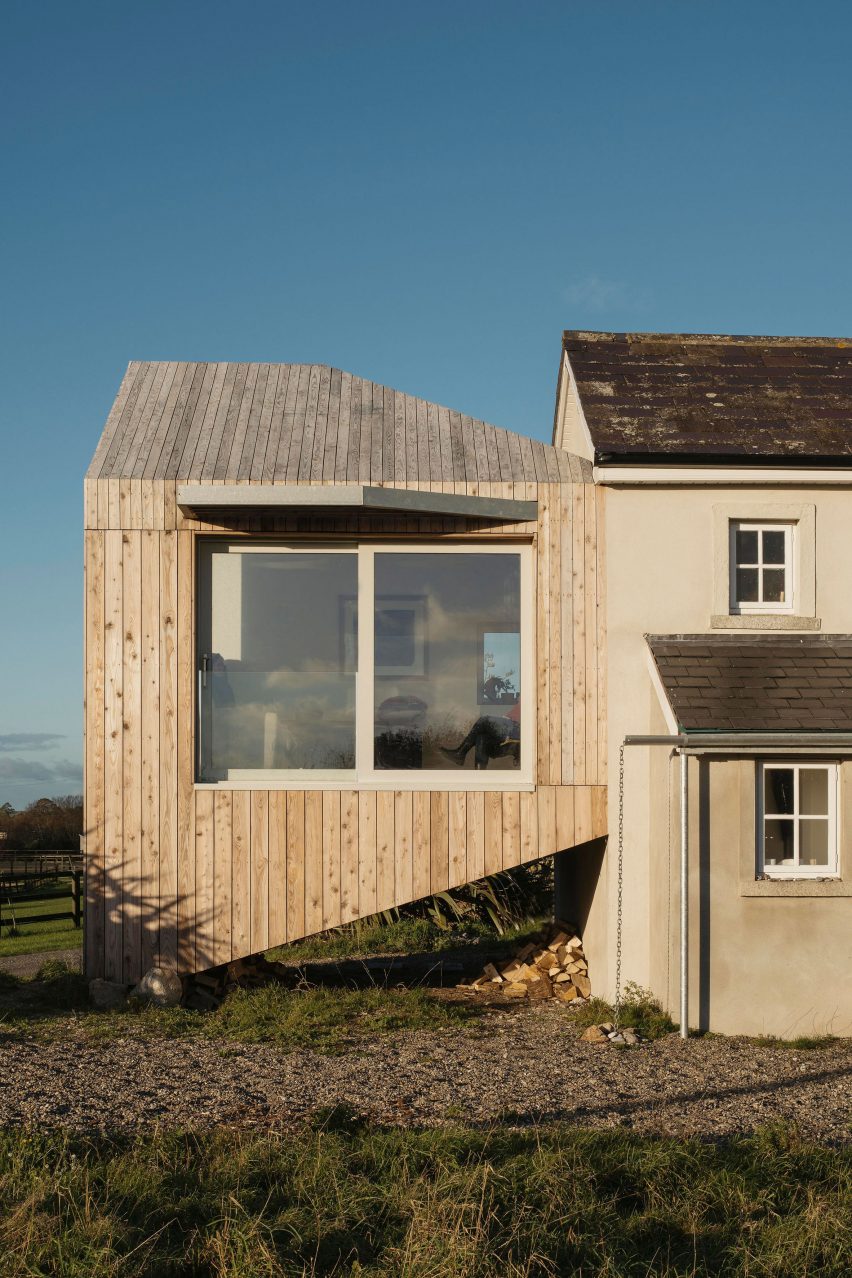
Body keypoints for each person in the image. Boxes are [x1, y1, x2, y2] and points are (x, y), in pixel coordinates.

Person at [439, 701, 520, 770]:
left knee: (484, 720)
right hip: (510, 725)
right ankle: (480, 775)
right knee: (481, 737)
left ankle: (460, 753)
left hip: (517, 728)